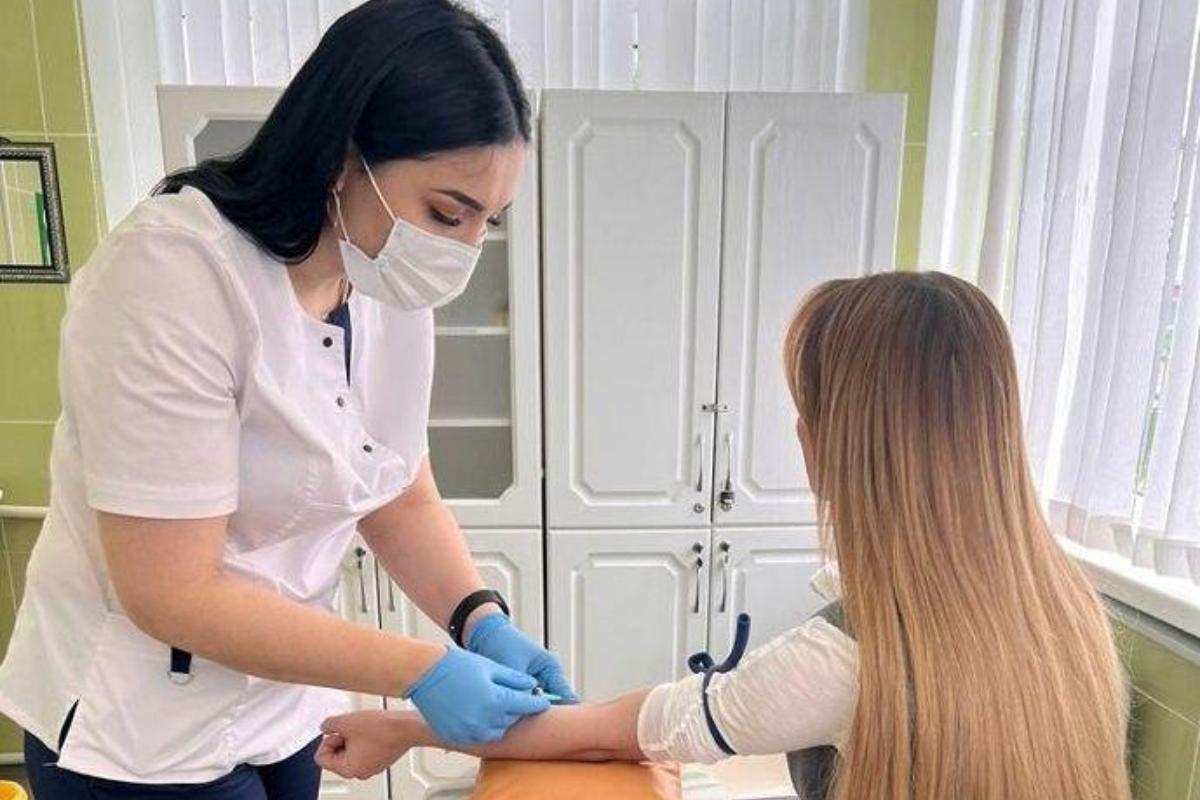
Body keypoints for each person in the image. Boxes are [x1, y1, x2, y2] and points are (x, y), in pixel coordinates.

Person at [0, 2, 574, 797]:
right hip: (135, 728)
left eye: (489, 221)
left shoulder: (382, 285)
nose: (465, 247)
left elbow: (399, 492)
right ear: (342, 156)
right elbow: (171, 591)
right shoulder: (171, 276)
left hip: (283, 704)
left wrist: (480, 618)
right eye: (447, 212)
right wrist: (422, 669)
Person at [318, 272, 1132, 800]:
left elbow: (607, 736)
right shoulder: (1070, 613)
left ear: (828, 446)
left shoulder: (851, 657)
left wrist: (409, 723)